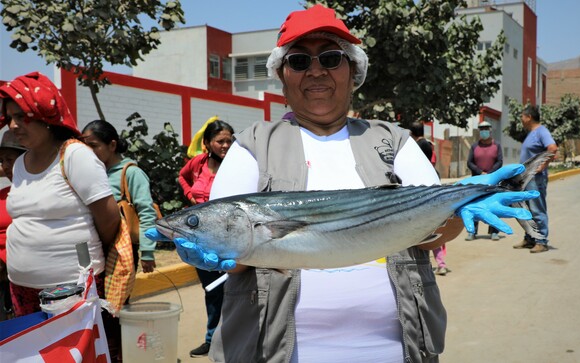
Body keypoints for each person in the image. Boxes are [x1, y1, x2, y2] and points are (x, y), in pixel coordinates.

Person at [147, 5, 536, 362]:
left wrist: (456, 209)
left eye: (331, 58)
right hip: (272, 351)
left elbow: (430, 234)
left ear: (353, 71)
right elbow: (240, 256)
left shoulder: (393, 140)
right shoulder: (252, 144)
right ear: (282, 75)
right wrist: (207, 246)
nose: (316, 71)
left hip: (393, 349)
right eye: (299, 61)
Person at [0, 72, 122, 359]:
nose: (14, 125)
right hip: (23, 288)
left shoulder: (75, 155)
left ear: (45, 115)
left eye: (21, 116)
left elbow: (108, 219)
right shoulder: (20, 164)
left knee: (76, 355)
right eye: (9, 118)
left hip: (71, 289)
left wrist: (81, 255)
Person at [178, 119, 235, 358]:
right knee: (212, 291)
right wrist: (190, 194)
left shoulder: (236, 165)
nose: (225, 145)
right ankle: (212, 339)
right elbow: (182, 177)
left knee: (235, 289)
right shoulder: (197, 163)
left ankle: (235, 337)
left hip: (230, 237)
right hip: (203, 240)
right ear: (208, 143)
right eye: (220, 141)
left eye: (229, 141)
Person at [81, 120, 158, 274]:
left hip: (121, 251)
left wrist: (147, 252)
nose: (89, 151)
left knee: (116, 298)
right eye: (85, 147)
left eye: (94, 146)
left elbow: (146, 212)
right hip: (92, 249)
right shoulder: (89, 173)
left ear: (112, 145)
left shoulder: (131, 173)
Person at [514, 105, 558, 253]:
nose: (521, 119)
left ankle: (541, 241)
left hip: (535, 178)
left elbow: (552, 148)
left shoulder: (541, 131)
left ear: (528, 117)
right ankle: (530, 238)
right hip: (526, 178)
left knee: (537, 209)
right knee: (527, 209)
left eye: (522, 116)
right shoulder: (531, 133)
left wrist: (543, 166)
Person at [409, 121, 448, 275]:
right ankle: (441, 263)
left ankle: (427, 264)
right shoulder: (429, 145)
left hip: (422, 188)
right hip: (431, 186)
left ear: (412, 133)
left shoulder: (415, 147)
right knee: (433, 227)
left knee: (424, 230)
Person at [0, 131, 26, 321]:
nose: (5, 166)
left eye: (10, 159)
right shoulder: (2, 194)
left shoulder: (41, 194)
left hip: (23, 280)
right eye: (2, 161)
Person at [466, 120, 503, 241]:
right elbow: (469, 162)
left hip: (493, 181)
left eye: (486, 129)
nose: (484, 131)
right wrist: (480, 172)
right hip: (477, 181)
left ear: (490, 130)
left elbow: (499, 161)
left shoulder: (496, 146)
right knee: (475, 205)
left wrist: (490, 173)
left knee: (493, 205)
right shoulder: (474, 146)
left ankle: (494, 231)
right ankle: (472, 231)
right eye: (481, 129)